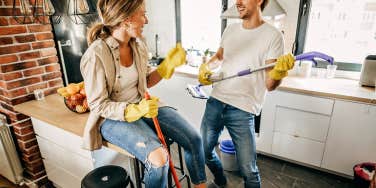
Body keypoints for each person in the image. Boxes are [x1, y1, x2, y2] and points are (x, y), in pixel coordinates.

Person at [80, 0, 207, 187]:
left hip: (143, 105)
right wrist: (134, 111)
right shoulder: (96, 54)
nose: (146, 20)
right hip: (112, 118)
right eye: (142, 14)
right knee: (159, 160)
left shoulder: (138, 45)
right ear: (125, 19)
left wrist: (167, 66)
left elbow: (146, 80)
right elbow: (98, 105)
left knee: (194, 139)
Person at [198, 0, 295, 187]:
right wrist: (207, 67)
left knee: (248, 170)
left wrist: (279, 72)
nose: (237, 2)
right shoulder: (230, 30)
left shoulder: (273, 35)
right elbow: (219, 56)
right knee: (204, 151)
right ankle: (220, 181)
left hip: (243, 109)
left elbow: (270, 85)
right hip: (216, 101)